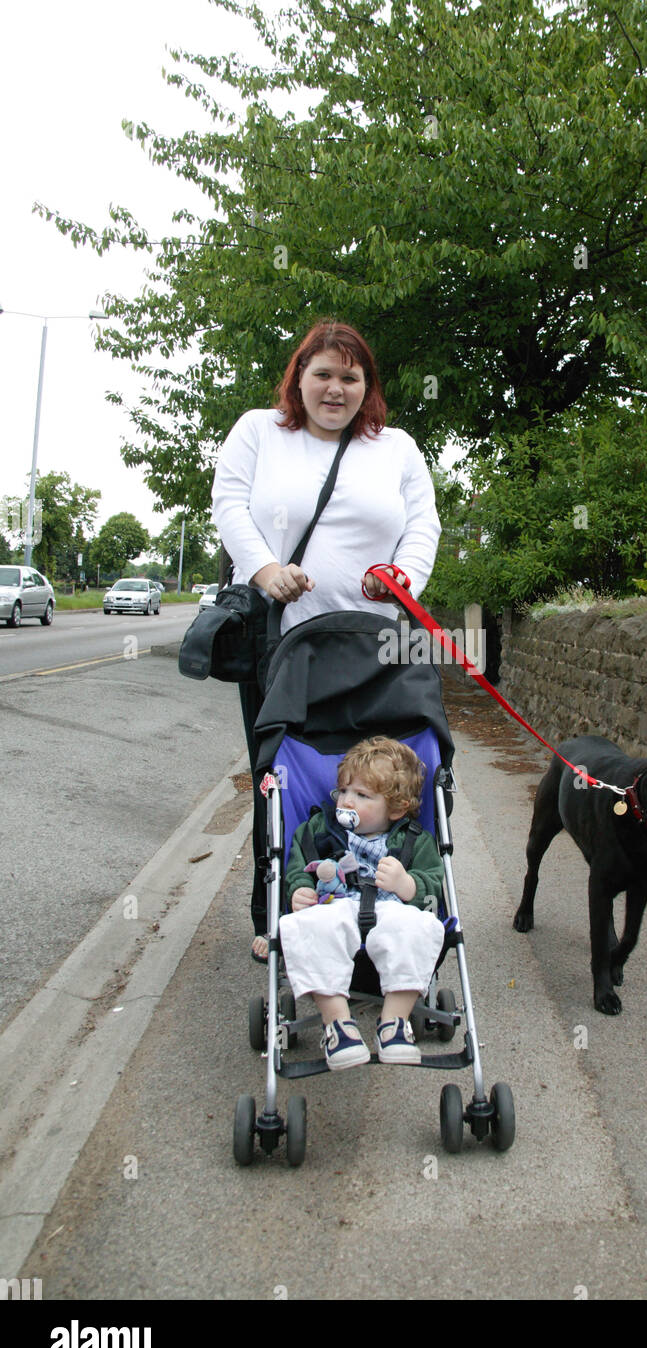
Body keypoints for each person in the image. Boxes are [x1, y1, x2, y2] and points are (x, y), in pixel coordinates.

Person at [211, 321, 441, 956]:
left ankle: (391, 903)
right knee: (282, 783)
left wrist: (402, 579)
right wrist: (265, 570)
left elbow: (423, 524)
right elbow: (228, 503)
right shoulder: (261, 431)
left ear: (366, 386)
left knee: (384, 781)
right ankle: (277, 917)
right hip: (282, 645)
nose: (335, 388)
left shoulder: (395, 447)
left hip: (376, 648)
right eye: (323, 374)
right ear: (299, 378)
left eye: (350, 376)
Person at [280, 736, 446, 1068]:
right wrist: (299, 888)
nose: (346, 802)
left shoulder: (415, 840)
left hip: (391, 910)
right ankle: (338, 1024)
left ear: (396, 807)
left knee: (423, 925)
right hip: (335, 905)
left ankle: (395, 1023)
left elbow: (433, 891)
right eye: (343, 791)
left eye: (362, 795)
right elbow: (298, 864)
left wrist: (408, 884)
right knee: (304, 925)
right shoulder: (318, 829)